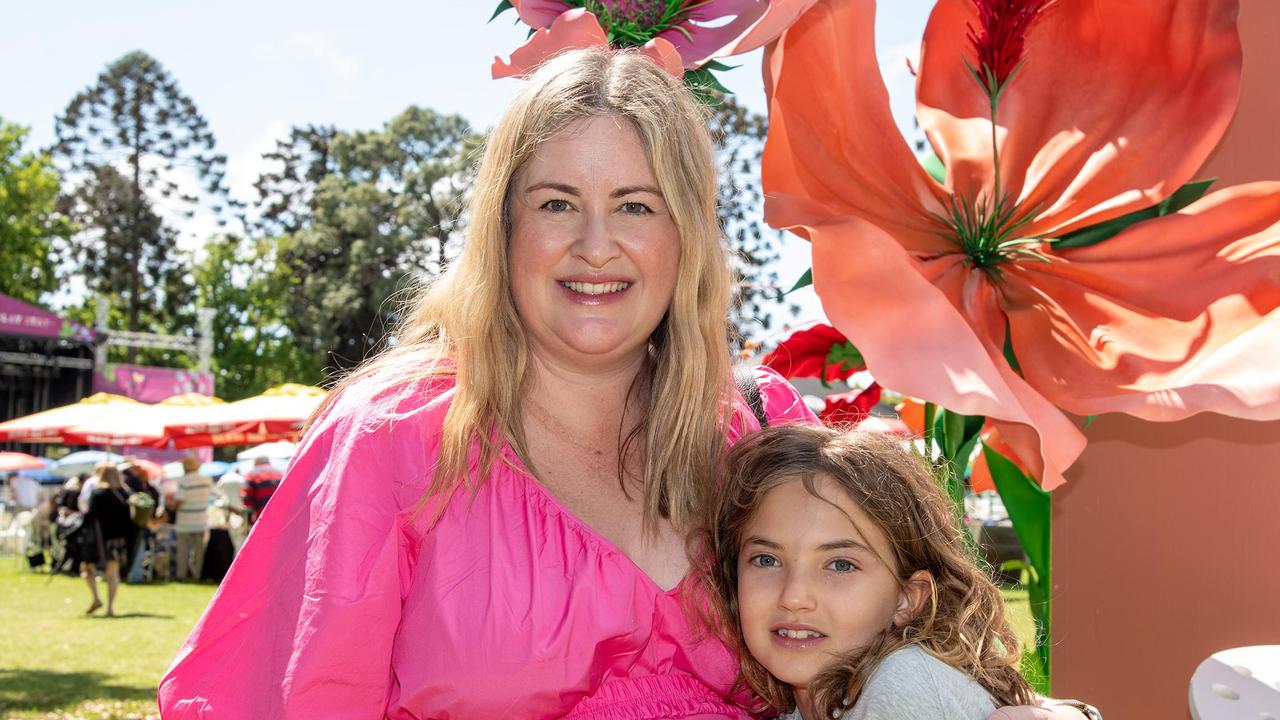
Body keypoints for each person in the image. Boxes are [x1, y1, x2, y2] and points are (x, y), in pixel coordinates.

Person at [159, 48, 1088, 719]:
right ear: (503, 230)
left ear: (684, 237)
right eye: (557, 204)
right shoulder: (390, 438)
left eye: (635, 207)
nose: (594, 246)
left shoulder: (760, 431)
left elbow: (901, 651)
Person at [696, 424, 1100, 720]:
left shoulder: (904, 684)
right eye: (767, 560)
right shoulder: (806, 706)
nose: (794, 596)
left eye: (840, 564)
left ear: (908, 598)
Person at [81, 463, 132, 616]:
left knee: (87, 570)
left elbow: (89, 516)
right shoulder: (125, 493)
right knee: (113, 574)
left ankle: (96, 598)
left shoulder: (98, 493)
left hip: (98, 541)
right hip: (117, 540)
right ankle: (110, 607)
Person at [173, 456, 213, 582]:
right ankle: (197, 574)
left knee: (183, 550)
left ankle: (181, 574)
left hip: (185, 519)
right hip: (201, 519)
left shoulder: (184, 480)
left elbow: (180, 500)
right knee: (199, 550)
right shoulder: (207, 480)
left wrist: (173, 506)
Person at [239, 456, 281, 525]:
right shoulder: (280, 473)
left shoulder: (251, 474)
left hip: (262, 514)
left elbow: (247, 497)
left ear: (255, 463)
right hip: (280, 514)